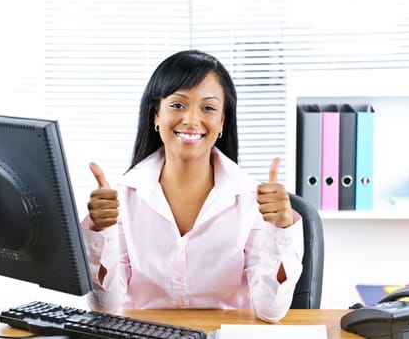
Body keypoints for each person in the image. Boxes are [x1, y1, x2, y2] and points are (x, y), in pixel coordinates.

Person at [80, 49, 304, 323]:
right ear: (156, 115)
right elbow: (105, 307)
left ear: (222, 121)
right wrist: (100, 232)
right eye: (177, 105)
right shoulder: (124, 196)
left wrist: (281, 229)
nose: (191, 120)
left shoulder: (250, 198)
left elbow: (271, 311)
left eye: (208, 108)